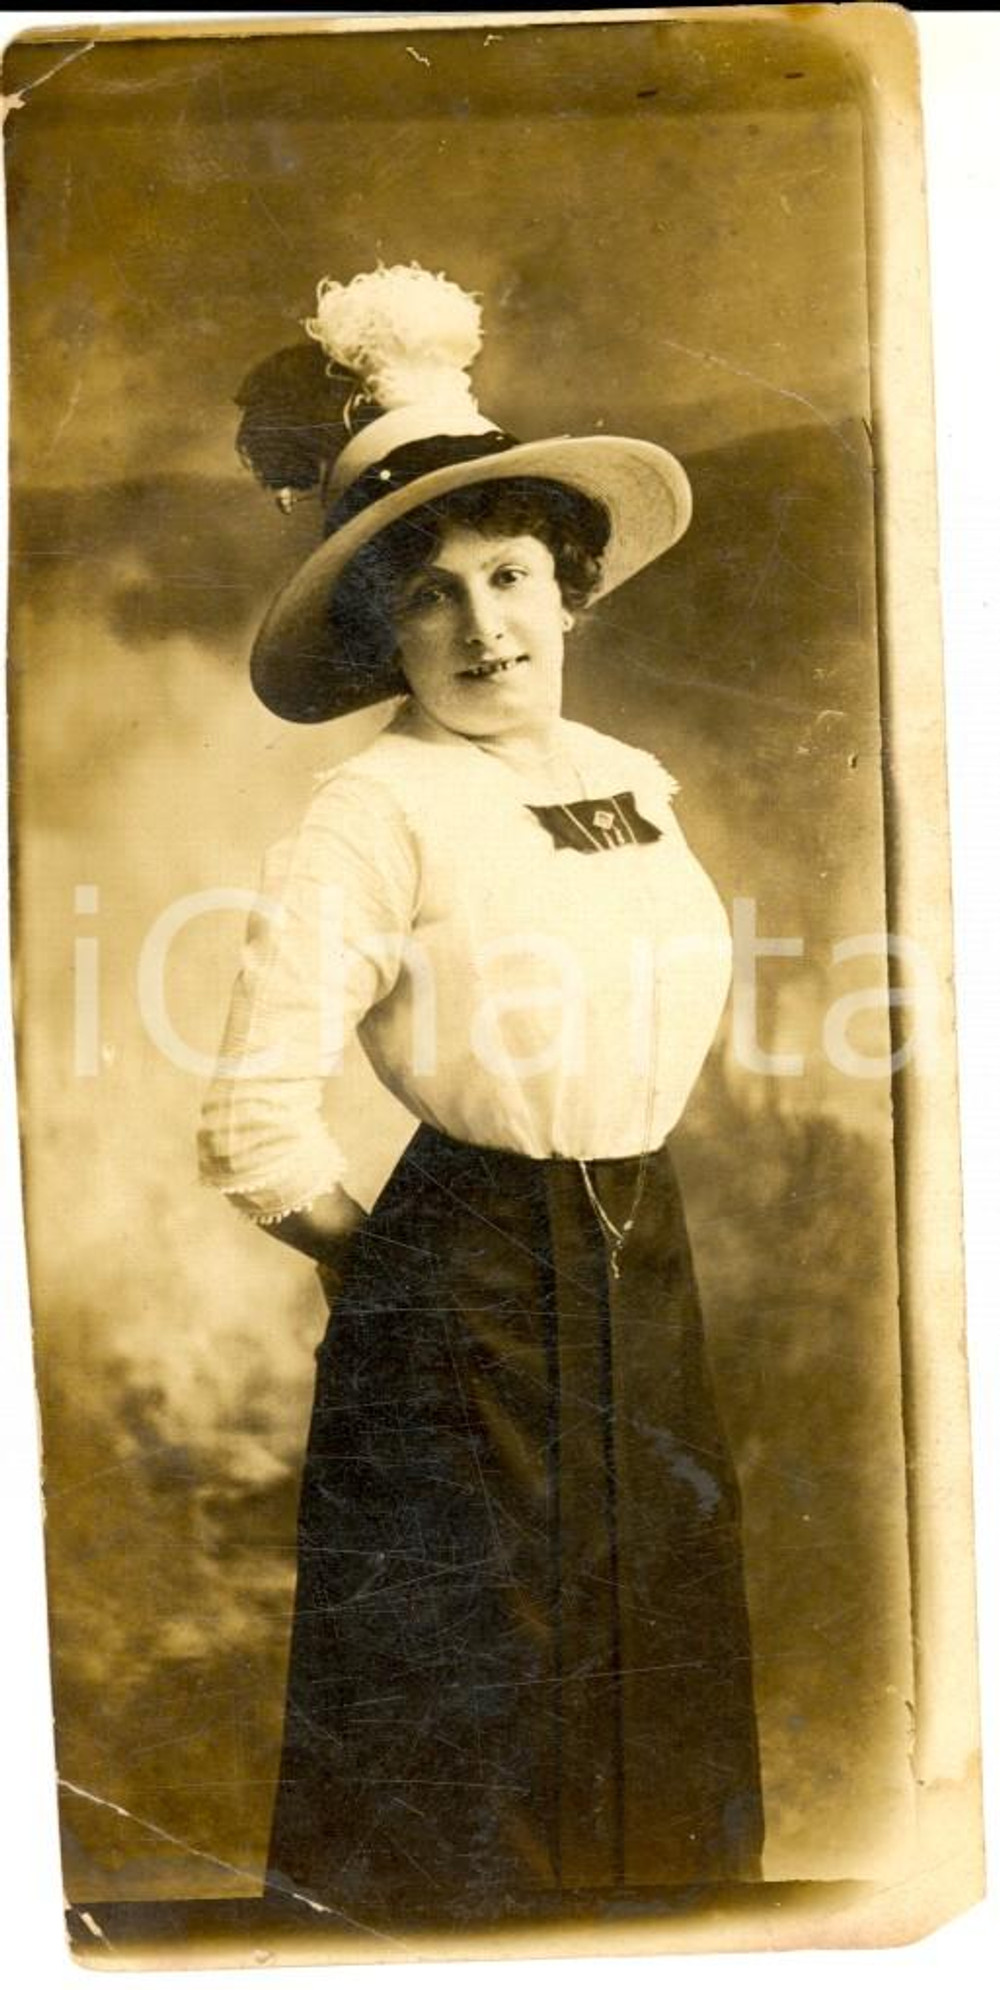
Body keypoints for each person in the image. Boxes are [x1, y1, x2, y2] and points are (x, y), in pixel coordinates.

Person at [199, 264, 763, 1921]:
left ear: (570, 587)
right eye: (429, 596)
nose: (482, 627)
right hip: (463, 1288)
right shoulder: (373, 810)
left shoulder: (628, 786)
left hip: (642, 1262)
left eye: (510, 574)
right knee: (470, 1720)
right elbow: (250, 1120)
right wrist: (399, 1280)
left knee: (652, 1651)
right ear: (387, 628)